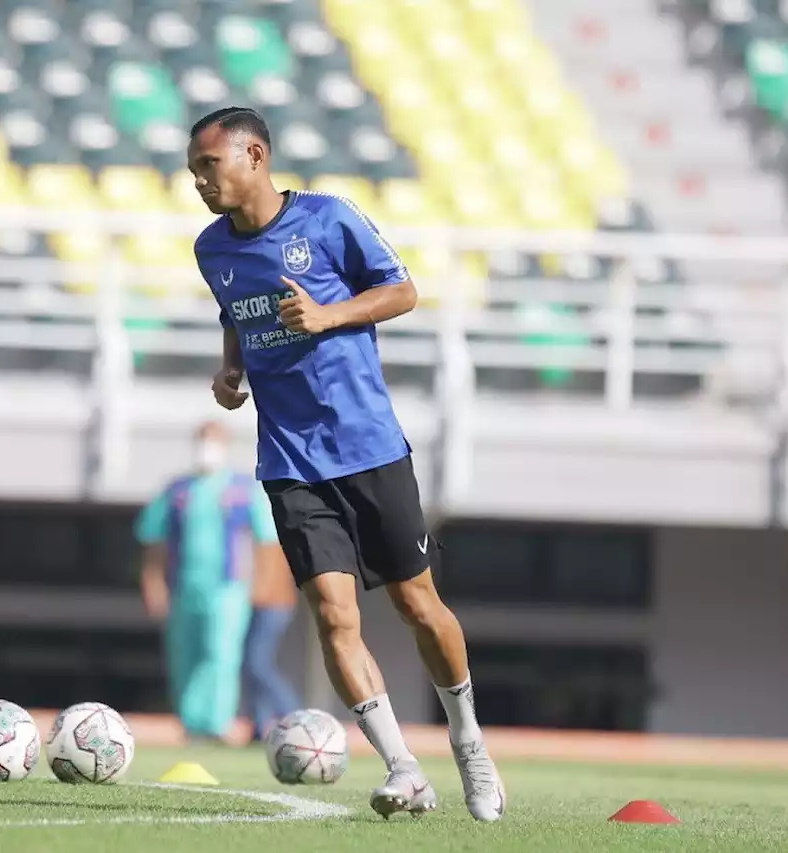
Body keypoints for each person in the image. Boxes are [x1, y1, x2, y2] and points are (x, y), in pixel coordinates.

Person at [188, 105, 504, 821]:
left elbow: (404, 290)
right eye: (194, 172)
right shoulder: (211, 250)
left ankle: (469, 742)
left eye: (211, 165)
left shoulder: (331, 220)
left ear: (256, 156)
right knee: (334, 615)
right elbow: (235, 313)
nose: (202, 182)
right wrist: (232, 371)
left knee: (417, 605)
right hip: (290, 458)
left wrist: (329, 315)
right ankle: (402, 768)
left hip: (368, 447)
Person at [135, 420, 279, 744]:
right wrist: (152, 582)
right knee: (184, 655)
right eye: (203, 442)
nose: (207, 450)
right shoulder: (177, 490)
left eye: (213, 443)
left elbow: (265, 539)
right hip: (184, 588)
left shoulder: (242, 489)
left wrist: (262, 582)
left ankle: (217, 722)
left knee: (221, 654)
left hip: (228, 588)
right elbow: (153, 538)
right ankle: (191, 723)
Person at [243, 537, 302, 742]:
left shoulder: (267, 528)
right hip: (264, 604)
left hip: (270, 605)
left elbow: (267, 574)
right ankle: (260, 726)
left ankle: (296, 717)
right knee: (251, 665)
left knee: (257, 664)